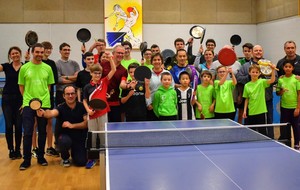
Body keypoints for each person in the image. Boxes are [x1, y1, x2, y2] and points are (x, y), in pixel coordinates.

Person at [18, 43, 55, 170]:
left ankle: (41, 157)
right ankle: (26, 160)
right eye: (37, 52)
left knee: (43, 131)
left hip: (44, 104)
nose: (39, 54)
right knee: (28, 132)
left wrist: (43, 101)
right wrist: (27, 101)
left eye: (41, 52)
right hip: (28, 104)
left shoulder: (48, 68)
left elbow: (49, 86)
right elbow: (21, 86)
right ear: (33, 52)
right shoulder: (24, 68)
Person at [37, 85, 88, 167]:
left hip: (78, 137)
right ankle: (65, 158)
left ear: (75, 94)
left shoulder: (82, 106)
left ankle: (75, 153)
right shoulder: (60, 107)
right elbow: (51, 113)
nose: (70, 96)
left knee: (81, 162)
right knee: (64, 141)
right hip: (64, 136)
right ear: (64, 96)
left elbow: (86, 124)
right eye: (68, 94)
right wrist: (43, 113)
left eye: (72, 93)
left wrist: (72, 125)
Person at [83, 53, 116, 169]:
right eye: (95, 73)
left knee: (103, 136)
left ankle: (104, 157)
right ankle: (91, 158)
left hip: (103, 112)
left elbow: (113, 69)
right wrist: (88, 110)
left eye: (99, 73)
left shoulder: (104, 82)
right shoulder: (87, 87)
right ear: (91, 73)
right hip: (92, 114)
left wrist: (111, 58)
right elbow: (84, 100)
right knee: (92, 136)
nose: (97, 75)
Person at [236, 45, 277, 137]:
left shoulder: (269, 64)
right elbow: (239, 78)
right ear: (252, 52)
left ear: (262, 52)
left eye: (260, 50)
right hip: (252, 103)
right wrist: (251, 77)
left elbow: (275, 79)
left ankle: (270, 140)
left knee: (267, 123)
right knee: (251, 126)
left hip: (266, 100)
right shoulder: (245, 66)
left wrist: (263, 77)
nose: (258, 52)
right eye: (256, 50)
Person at [0, 46, 23, 160]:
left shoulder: (25, 66)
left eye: (17, 53)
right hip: (7, 99)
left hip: (20, 100)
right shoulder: (6, 66)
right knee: (9, 126)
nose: (15, 55)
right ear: (10, 56)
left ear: (20, 54)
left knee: (18, 126)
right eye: (12, 54)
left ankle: (18, 149)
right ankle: (11, 149)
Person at [243, 64, 276, 136]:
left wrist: (273, 70)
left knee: (263, 132)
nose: (254, 74)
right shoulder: (247, 85)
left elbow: (272, 80)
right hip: (251, 111)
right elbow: (246, 99)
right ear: (249, 73)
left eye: (256, 72)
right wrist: (245, 111)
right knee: (251, 132)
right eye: (253, 72)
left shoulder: (262, 82)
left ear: (259, 73)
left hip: (261, 111)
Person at [276, 61, 300, 149]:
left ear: (293, 68)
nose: (288, 68)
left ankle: (297, 143)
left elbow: (299, 94)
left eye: (290, 67)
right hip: (284, 107)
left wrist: (298, 108)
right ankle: (287, 143)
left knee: (296, 126)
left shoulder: (296, 79)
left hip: (294, 107)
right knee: (284, 127)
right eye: (286, 66)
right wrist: (281, 91)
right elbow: (278, 93)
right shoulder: (280, 79)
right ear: (283, 68)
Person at [41, 41, 59, 157]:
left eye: (49, 49)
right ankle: (35, 148)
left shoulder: (51, 63)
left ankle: (49, 147)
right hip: (35, 99)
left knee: (49, 122)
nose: (48, 51)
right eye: (46, 49)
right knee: (34, 125)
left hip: (48, 97)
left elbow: (55, 80)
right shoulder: (34, 63)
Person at [146, 53, 174, 121]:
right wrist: (148, 103)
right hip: (152, 105)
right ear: (152, 62)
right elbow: (147, 89)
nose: (157, 61)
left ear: (162, 61)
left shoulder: (167, 73)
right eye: (154, 60)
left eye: (159, 60)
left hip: (164, 106)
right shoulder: (148, 74)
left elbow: (172, 88)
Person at [107, 45, 128, 122]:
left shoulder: (124, 70)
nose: (120, 55)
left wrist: (128, 86)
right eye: (118, 53)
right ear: (113, 53)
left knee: (115, 127)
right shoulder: (104, 64)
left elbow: (122, 83)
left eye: (122, 53)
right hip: (102, 103)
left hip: (115, 103)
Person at [236, 43, 253, 124]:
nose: (247, 53)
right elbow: (239, 79)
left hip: (253, 91)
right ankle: (240, 128)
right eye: (245, 51)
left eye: (249, 51)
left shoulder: (255, 62)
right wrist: (240, 94)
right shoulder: (240, 62)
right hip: (243, 91)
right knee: (241, 113)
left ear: (252, 51)